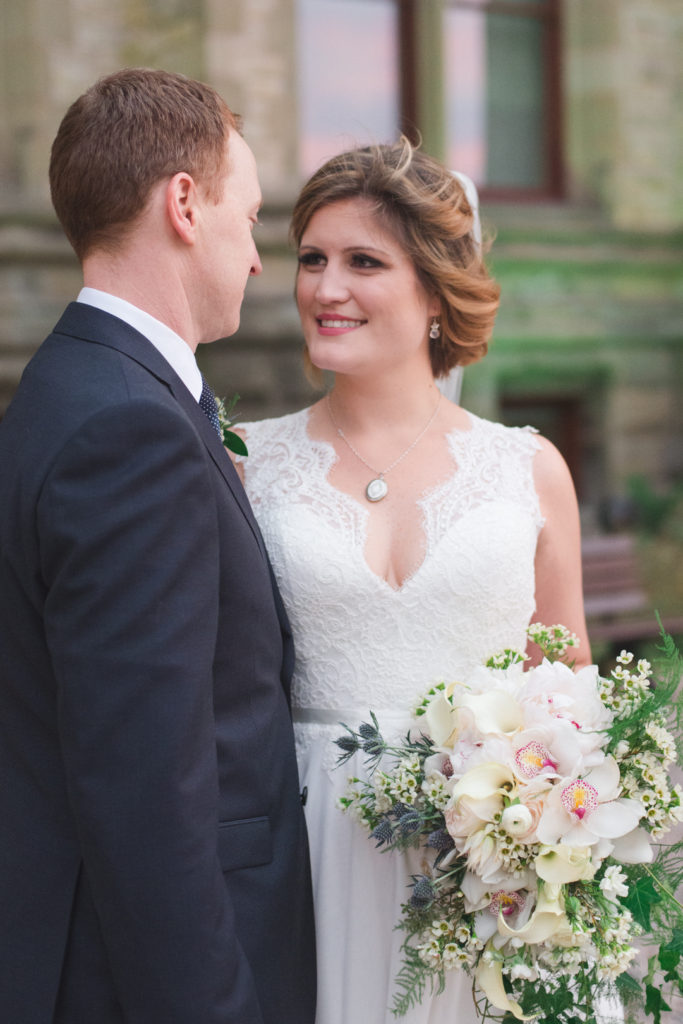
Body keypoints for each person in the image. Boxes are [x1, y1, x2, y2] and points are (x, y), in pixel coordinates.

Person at [235, 138, 591, 1024]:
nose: (324, 288)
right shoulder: (246, 464)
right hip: (304, 849)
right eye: (311, 259)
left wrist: (542, 830)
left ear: (433, 291)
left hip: (486, 871)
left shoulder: (529, 467)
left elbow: (569, 678)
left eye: (363, 262)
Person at [0, 68, 315, 1024]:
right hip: (137, 979)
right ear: (184, 203)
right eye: (251, 218)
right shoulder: (129, 431)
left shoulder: (74, 390)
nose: (260, 261)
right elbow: (147, 793)